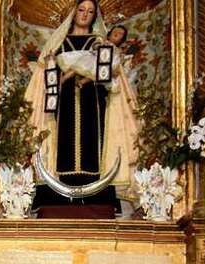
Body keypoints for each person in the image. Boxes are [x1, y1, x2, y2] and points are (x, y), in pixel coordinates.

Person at [26, 0, 135, 209]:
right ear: (74, 13)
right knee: (64, 136)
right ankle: (62, 186)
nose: (85, 15)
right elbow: (49, 76)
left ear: (95, 16)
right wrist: (54, 67)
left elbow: (106, 73)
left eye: (90, 11)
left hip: (92, 97)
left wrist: (89, 71)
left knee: (92, 136)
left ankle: (93, 185)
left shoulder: (99, 42)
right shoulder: (59, 43)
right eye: (82, 10)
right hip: (64, 98)